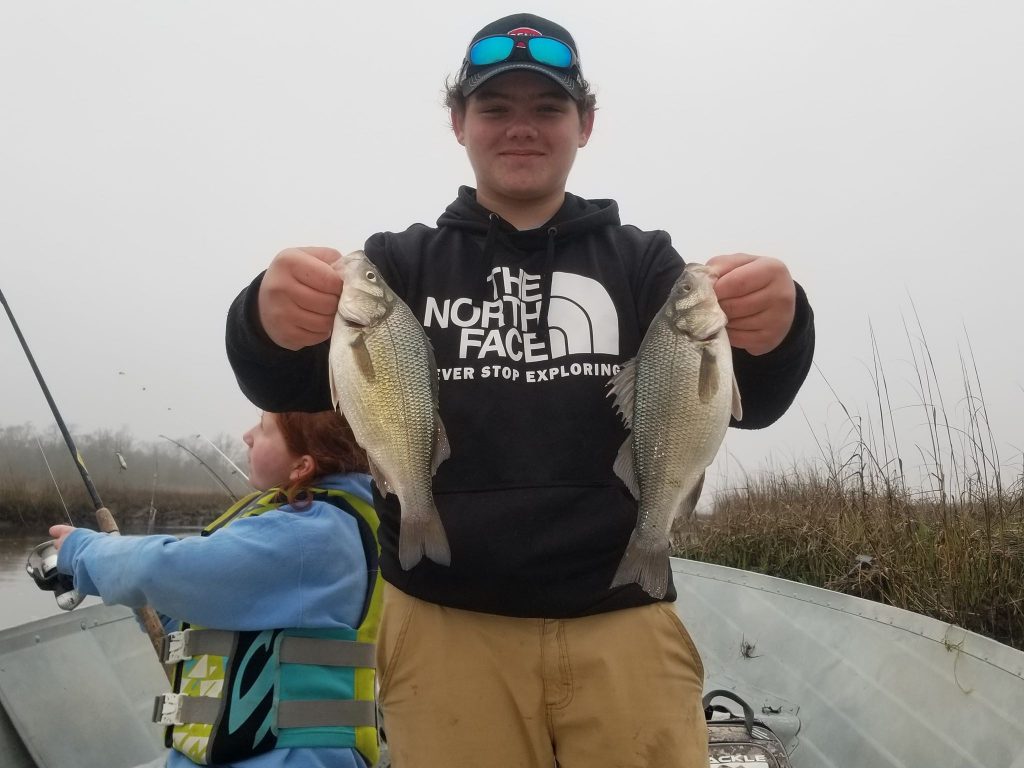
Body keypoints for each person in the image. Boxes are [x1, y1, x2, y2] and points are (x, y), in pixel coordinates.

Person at [225, 12, 815, 768]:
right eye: (496, 108)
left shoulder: (647, 268)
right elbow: (279, 377)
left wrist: (782, 326)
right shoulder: (397, 267)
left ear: (586, 124)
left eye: (548, 109)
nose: (521, 128)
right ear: (459, 123)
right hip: (443, 625)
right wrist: (264, 318)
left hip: (624, 619)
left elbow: (750, 401)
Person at [50, 410, 381, 768]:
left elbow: (166, 570)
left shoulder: (308, 536)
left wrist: (84, 552)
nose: (247, 435)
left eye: (265, 428)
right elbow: (209, 613)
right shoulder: (317, 527)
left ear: (302, 465)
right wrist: (147, 597)